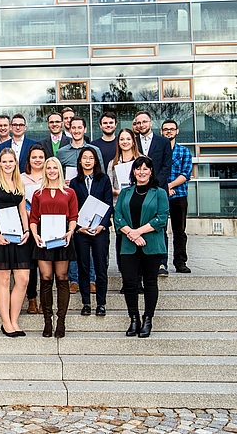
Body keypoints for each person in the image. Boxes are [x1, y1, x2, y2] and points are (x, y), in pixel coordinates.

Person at [114, 156, 169, 338]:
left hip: (151, 244)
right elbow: (118, 216)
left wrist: (138, 232)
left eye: (146, 168)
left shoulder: (159, 192)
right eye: (138, 169)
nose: (142, 172)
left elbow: (161, 218)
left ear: (151, 171)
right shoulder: (125, 192)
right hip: (129, 245)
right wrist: (131, 233)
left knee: (150, 282)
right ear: (133, 172)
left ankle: (148, 319)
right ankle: (134, 318)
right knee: (130, 283)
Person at [0, 148, 31, 337]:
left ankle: (14, 319)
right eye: (4, 161)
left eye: (11, 161)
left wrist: (27, 230)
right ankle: (6, 323)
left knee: (23, 279)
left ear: (15, 163)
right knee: (3, 280)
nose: (8, 164)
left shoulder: (19, 182)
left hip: (18, 235)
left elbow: (22, 210)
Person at [29, 157, 78, 338]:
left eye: (54, 168)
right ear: (44, 170)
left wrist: (70, 232)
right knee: (46, 277)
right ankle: (47, 321)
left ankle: (61, 321)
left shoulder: (69, 192)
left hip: (62, 236)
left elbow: (73, 216)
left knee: (62, 276)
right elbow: (33, 218)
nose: (51, 171)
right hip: (43, 237)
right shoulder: (37, 194)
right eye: (48, 168)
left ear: (59, 170)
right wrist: (35, 235)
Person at [55, 116, 102, 293]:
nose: (76, 131)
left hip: (91, 201)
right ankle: (74, 279)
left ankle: (91, 278)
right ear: (69, 129)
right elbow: (56, 175)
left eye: (79, 127)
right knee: (73, 241)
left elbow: (100, 174)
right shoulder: (61, 152)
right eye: (73, 128)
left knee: (91, 241)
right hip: (71, 201)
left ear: (84, 129)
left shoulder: (93, 150)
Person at [70, 148, 113, 317]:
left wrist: (102, 225)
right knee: (83, 267)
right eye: (84, 158)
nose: (88, 161)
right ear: (79, 161)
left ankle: (101, 303)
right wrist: (78, 227)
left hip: (100, 230)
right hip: (81, 231)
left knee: (101, 267)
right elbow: (72, 207)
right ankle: (86, 303)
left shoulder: (104, 179)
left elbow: (109, 204)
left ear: (96, 161)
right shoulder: (75, 182)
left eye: (91, 158)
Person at [161, 119, 192, 274]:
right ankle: (161, 263)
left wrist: (169, 186)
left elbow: (185, 174)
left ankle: (180, 262)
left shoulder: (184, 151)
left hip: (179, 195)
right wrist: (165, 189)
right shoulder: (158, 151)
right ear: (161, 132)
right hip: (161, 196)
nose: (169, 132)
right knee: (161, 229)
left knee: (179, 231)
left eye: (171, 129)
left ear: (177, 131)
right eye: (166, 129)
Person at [107, 128, 141, 269]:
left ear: (133, 141)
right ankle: (124, 272)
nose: (125, 142)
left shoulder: (142, 160)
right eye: (122, 139)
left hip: (139, 205)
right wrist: (118, 192)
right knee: (122, 239)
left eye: (128, 139)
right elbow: (108, 187)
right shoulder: (113, 163)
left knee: (138, 238)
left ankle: (139, 273)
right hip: (119, 206)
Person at [21, 144, 47, 315]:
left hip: (47, 226)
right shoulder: (21, 178)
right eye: (34, 157)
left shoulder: (51, 176)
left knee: (45, 266)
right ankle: (32, 299)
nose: (37, 160)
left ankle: (45, 301)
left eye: (40, 157)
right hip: (27, 225)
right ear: (29, 160)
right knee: (30, 265)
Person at [134, 111, 173, 194]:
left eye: (144, 122)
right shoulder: (133, 142)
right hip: (138, 189)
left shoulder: (164, 142)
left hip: (159, 188)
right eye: (138, 123)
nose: (141, 125)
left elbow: (167, 166)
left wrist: (154, 184)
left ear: (150, 123)